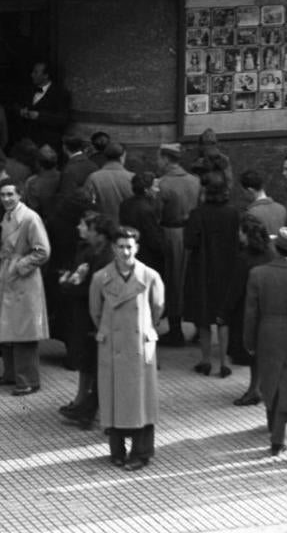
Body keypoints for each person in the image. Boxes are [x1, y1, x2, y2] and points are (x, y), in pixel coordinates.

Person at [90, 227, 165, 471]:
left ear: (137, 248)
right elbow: (96, 311)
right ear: (113, 248)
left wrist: (145, 329)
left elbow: (158, 307)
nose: (125, 251)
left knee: (141, 400)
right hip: (113, 344)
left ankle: (141, 452)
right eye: (121, 246)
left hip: (139, 346)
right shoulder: (101, 277)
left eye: (129, 247)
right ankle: (117, 450)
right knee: (114, 398)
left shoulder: (150, 276)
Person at [244, 227, 287, 457]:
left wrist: (249, 339)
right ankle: (279, 435)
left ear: (275, 247)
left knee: (269, 379)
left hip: (267, 331)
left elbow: (251, 311)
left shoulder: (258, 274)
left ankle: (273, 427)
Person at [0, 180, 51, 396]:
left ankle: (29, 380)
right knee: (7, 327)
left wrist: (20, 265)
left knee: (23, 332)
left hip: (23, 280)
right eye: (3, 195)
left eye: (10, 195)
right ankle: (11, 373)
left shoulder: (29, 218)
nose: (6, 199)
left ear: (19, 195)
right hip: (7, 275)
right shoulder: (6, 216)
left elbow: (42, 250)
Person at [58, 210, 118, 428]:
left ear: (99, 234)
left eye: (85, 226)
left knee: (94, 363)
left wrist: (68, 284)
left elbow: (90, 288)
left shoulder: (103, 257)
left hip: (95, 317)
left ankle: (89, 409)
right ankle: (84, 403)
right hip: (88, 314)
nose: (80, 229)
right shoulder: (91, 251)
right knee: (87, 361)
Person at [184, 171, 244, 378]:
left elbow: (189, 242)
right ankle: (223, 362)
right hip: (228, 268)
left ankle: (206, 360)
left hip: (202, 270)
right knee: (223, 317)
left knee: (203, 318)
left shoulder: (197, 213)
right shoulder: (234, 213)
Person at [155, 142, 201, 347]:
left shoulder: (161, 184)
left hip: (170, 233)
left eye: (159, 157)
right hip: (192, 234)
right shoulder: (195, 181)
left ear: (166, 159)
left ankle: (175, 331)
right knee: (191, 280)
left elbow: (156, 214)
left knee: (173, 280)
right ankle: (200, 329)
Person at [228, 213, 276, 407]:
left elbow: (235, 288)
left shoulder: (243, 259)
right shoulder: (270, 254)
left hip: (248, 310)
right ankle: (259, 387)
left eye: (240, 231)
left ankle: (254, 389)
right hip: (268, 309)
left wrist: (224, 311)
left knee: (252, 352)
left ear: (247, 234)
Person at [84, 143, 134, 221]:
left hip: (102, 227)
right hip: (127, 227)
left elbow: (86, 204)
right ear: (122, 157)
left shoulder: (93, 178)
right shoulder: (132, 178)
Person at [242, 169, 287, 235]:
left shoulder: (251, 214)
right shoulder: (282, 209)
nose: (243, 195)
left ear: (250, 190)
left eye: (243, 191)